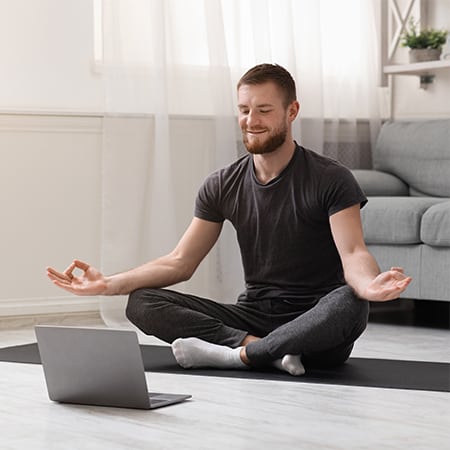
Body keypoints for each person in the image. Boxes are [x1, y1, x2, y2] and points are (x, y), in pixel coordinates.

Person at [47, 63, 412, 376]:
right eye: (244, 109)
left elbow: (353, 253)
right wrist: (108, 283)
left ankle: (238, 356)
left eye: (265, 110)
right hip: (252, 315)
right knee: (141, 302)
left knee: (349, 303)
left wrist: (367, 286)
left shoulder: (330, 178)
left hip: (314, 323)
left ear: (292, 111)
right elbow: (180, 262)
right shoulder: (221, 184)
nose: (251, 121)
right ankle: (261, 350)